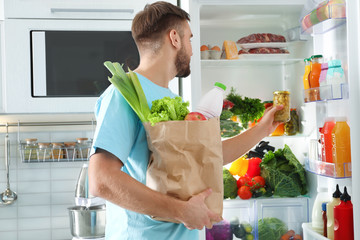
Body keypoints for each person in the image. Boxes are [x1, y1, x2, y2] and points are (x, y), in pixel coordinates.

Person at [88, 1, 282, 240]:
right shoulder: (124, 94)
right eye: (189, 39)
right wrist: (181, 211)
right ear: (174, 38)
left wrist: (262, 129)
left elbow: (205, 155)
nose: (191, 49)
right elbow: (102, 180)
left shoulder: (170, 98)